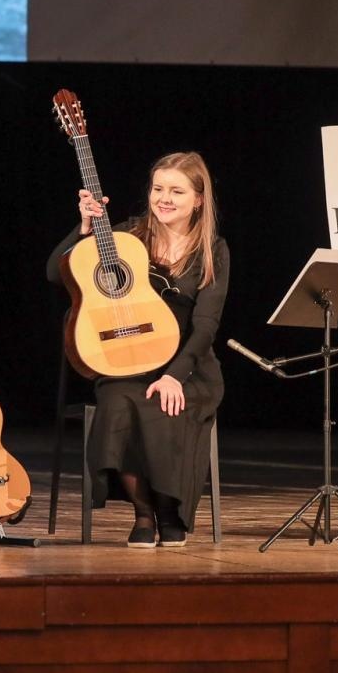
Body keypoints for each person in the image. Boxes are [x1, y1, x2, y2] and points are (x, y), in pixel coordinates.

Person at [47, 152, 230, 548]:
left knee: (164, 403)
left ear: (198, 199)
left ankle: (170, 511)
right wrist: (84, 228)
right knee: (119, 401)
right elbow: (55, 273)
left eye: (177, 191)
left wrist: (174, 376)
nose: (164, 198)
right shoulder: (126, 237)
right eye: (158, 188)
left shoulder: (212, 249)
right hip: (125, 360)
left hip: (187, 365)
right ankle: (144, 513)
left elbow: (205, 325)